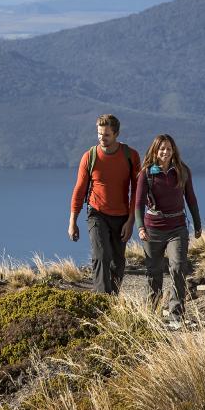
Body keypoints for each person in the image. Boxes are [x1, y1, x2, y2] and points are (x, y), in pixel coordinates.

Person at [68, 114, 141, 294]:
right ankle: (103, 300)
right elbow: (79, 190)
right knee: (101, 255)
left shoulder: (130, 156)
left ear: (116, 134)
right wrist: (72, 222)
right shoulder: (90, 156)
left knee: (118, 261)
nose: (102, 138)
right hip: (96, 213)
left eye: (106, 135)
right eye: (99, 134)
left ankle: (113, 298)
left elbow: (138, 192)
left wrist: (131, 221)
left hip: (122, 215)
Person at [133, 133, 201, 322]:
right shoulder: (146, 173)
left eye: (168, 149)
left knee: (178, 267)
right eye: (162, 148)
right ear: (155, 151)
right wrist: (140, 228)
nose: (165, 152)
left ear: (173, 151)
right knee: (153, 273)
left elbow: (191, 199)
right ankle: (149, 314)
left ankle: (176, 314)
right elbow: (138, 203)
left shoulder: (182, 171)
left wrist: (197, 223)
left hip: (177, 228)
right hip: (152, 229)